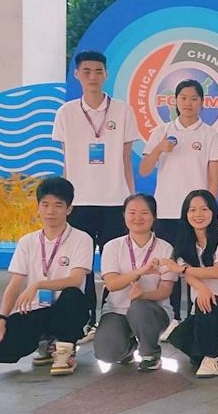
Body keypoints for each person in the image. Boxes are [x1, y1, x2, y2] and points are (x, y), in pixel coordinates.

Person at [52, 50, 138, 338]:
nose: (92, 77)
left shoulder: (123, 111)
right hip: (80, 203)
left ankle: (111, 318)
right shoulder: (66, 113)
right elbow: (66, 161)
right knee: (82, 266)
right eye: (86, 71)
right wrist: (66, 202)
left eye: (98, 71)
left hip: (115, 201)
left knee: (115, 265)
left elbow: (126, 160)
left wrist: (131, 199)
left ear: (106, 74)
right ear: (77, 75)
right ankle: (86, 319)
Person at [0, 177, 92, 376]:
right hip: (37, 310)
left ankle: (65, 350)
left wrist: (38, 284)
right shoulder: (27, 241)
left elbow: (76, 279)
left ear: (69, 209)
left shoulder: (81, 239)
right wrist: (1, 320)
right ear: (38, 207)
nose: (50, 211)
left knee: (73, 294)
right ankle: (46, 343)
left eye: (58, 205)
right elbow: (15, 285)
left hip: (68, 308)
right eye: (45, 204)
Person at [139, 79, 218, 331]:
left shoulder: (209, 134)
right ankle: (173, 317)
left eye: (194, 98)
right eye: (183, 98)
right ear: (175, 101)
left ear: (203, 103)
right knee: (170, 266)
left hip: (196, 216)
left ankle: (198, 316)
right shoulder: (162, 131)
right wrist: (159, 149)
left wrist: (209, 211)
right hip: (166, 211)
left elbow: (213, 178)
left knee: (195, 265)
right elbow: (144, 170)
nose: (188, 103)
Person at [159, 190, 218, 378]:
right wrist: (202, 288)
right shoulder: (184, 244)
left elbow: (216, 272)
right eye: (192, 210)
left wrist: (181, 269)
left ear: (213, 212)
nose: (198, 214)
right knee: (178, 338)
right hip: (204, 308)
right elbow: (190, 276)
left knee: (206, 303)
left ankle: (212, 358)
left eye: (204, 209)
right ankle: (212, 343)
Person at [94, 194, 178, 372]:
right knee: (106, 353)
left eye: (144, 213)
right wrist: (140, 271)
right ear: (124, 215)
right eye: (132, 212)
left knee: (139, 307)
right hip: (117, 311)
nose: (137, 218)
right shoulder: (112, 246)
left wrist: (144, 295)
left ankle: (150, 354)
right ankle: (128, 348)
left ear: (154, 216)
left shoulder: (166, 248)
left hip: (152, 312)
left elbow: (165, 289)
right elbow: (112, 284)